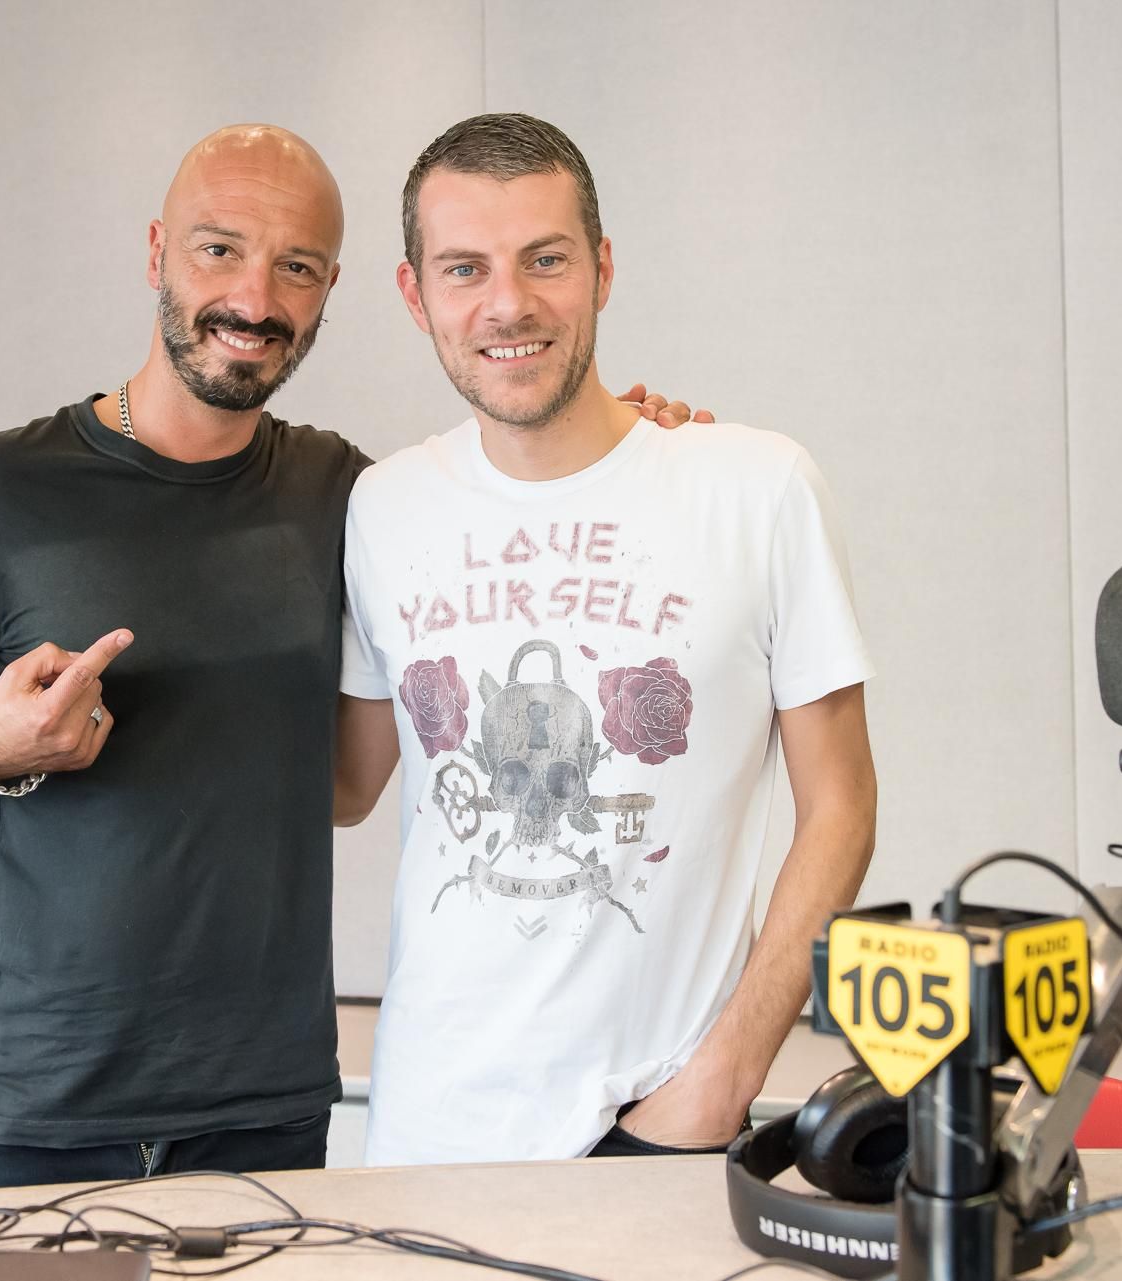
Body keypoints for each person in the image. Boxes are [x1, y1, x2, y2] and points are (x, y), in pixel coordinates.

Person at [0, 122, 710, 1190]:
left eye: (297, 267)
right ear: (158, 252)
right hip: (34, 1107)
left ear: (332, 290)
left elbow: (345, 787)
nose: (254, 297)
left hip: (268, 1116)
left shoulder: (354, 501)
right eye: (219, 250)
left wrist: (631, 447)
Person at [332, 114, 878, 1166]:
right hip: (425, 1130)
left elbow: (842, 804)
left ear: (603, 268)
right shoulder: (382, 506)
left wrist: (723, 1079)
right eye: (464, 269)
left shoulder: (756, 487)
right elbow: (344, 784)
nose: (508, 304)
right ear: (414, 294)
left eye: (545, 259)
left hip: (656, 1123)